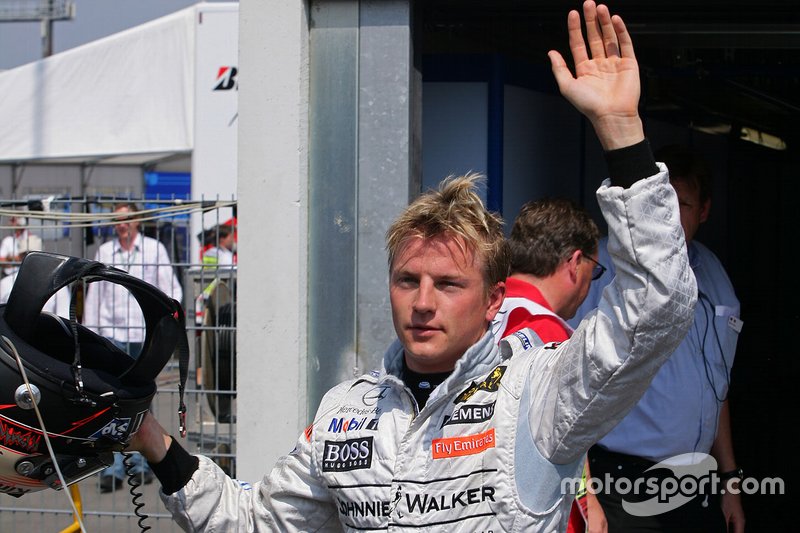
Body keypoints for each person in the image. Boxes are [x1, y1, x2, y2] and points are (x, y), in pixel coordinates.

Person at [130, 2, 697, 530]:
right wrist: (149, 434)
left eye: (449, 284)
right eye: (408, 280)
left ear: (495, 298)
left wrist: (622, 133)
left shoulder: (539, 391)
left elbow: (657, 308)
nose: (423, 302)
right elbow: (251, 521)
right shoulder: (346, 411)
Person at [572, 144, 745, 532]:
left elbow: (717, 388)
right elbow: (569, 387)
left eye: (682, 203)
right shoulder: (604, 268)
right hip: (621, 484)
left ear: (704, 211)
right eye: (662, 202)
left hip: (696, 485)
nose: (670, 216)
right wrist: (586, 494)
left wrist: (730, 483)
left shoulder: (714, 274)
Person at [491, 198, 605, 533]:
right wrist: (587, 502)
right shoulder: (552, 337)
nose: (589, 285)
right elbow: (559, 436)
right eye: (593, 271)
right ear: (575, 263)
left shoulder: (480, 310)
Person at [82, 201, 183, 493]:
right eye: (117, 220)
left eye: (126, 220)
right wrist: (92, 332)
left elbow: (170, 288)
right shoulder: (104, 252)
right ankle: (112, 468)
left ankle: (140, 465)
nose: (121, 225)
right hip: (112, 334)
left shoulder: (154, 250)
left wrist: (168, 324)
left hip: (143, 333)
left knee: (140, 402)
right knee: (109, 402)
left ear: (137, 222)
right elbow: (95, 294)